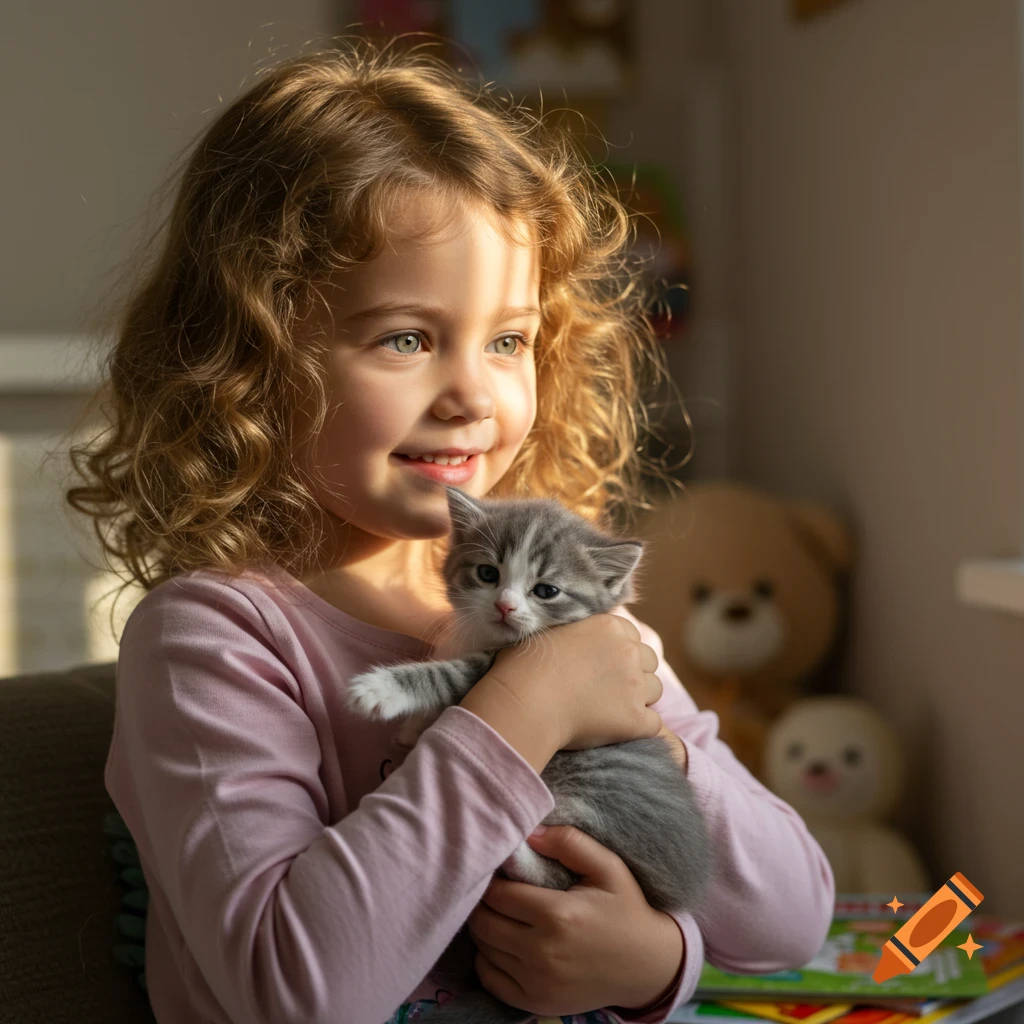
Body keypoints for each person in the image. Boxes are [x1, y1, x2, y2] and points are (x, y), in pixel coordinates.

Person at [66, 38, 835, 1024]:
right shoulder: (214, 638)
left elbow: (790, 918)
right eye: (407, 339)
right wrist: (525, 706)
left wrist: (657, 963)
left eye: (509, 339)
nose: (473, 394)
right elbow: (295, 994)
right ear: (253, 358)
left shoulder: (569, 618)